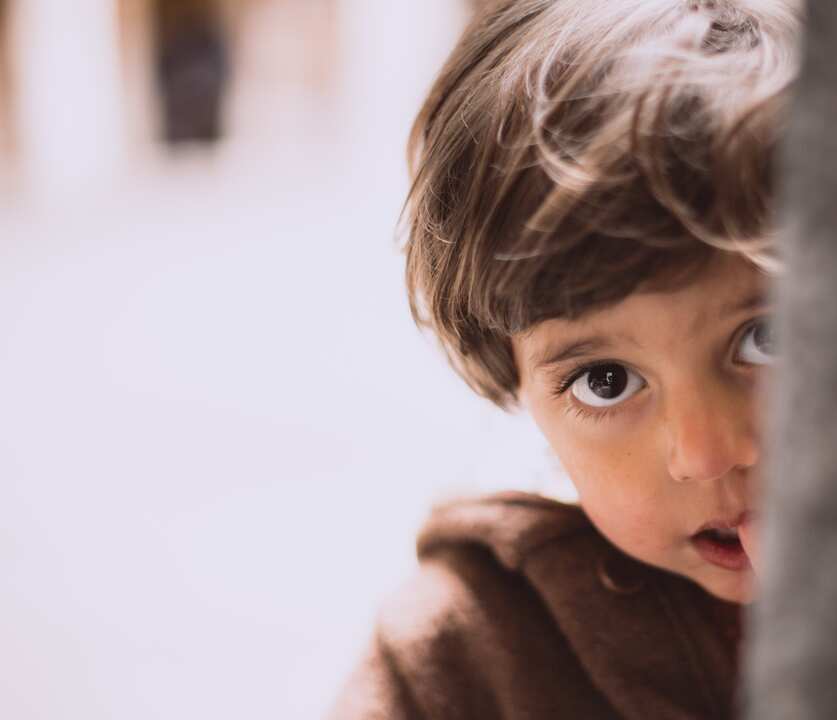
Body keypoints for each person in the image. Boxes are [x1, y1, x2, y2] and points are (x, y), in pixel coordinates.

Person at [331, 1, 799, 717]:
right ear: (514, 381)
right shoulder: (460, 654)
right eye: (605, 381)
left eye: (766, 338)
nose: (708, 453)